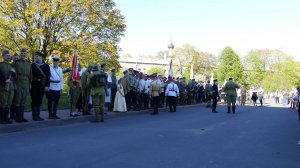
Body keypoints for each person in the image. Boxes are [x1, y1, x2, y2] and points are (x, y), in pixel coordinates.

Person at [11, 48, 31, 122]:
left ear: (26, 54)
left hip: (26, 83)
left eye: (24, 53)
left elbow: (30, 75)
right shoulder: (16, 63)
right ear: (20, 54)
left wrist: (30, 84)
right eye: (22, 53)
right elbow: (11, 70)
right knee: (17, 100)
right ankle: (17, 117)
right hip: (18, 82)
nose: (23, 55)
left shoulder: (28, 63)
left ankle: (22, 117)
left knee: (23, 101)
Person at [31, 52, 50, 121]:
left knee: (39, 100)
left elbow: (48, 76)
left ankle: (38, 115)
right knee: (34, 99)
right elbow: (30, 75)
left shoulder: (46, 66)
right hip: (34, 85)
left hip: (42, 85)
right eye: (36, 56)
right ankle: (34, 116)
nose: (37, 57)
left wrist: (47, 85)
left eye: (38, 56)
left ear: (41, 57)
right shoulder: (33, 65)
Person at [0, 50, 16, 124]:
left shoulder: (11, 65)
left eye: (9, 55)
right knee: (3, 102)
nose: (8, 57)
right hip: (3, 86)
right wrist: (4, 81)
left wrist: (13, 73)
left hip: (11, 87)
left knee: (9, 103)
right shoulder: (0, 65)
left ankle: (7, 118)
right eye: (7, 55)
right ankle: (2, 118)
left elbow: (15, 76)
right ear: (3, 56)